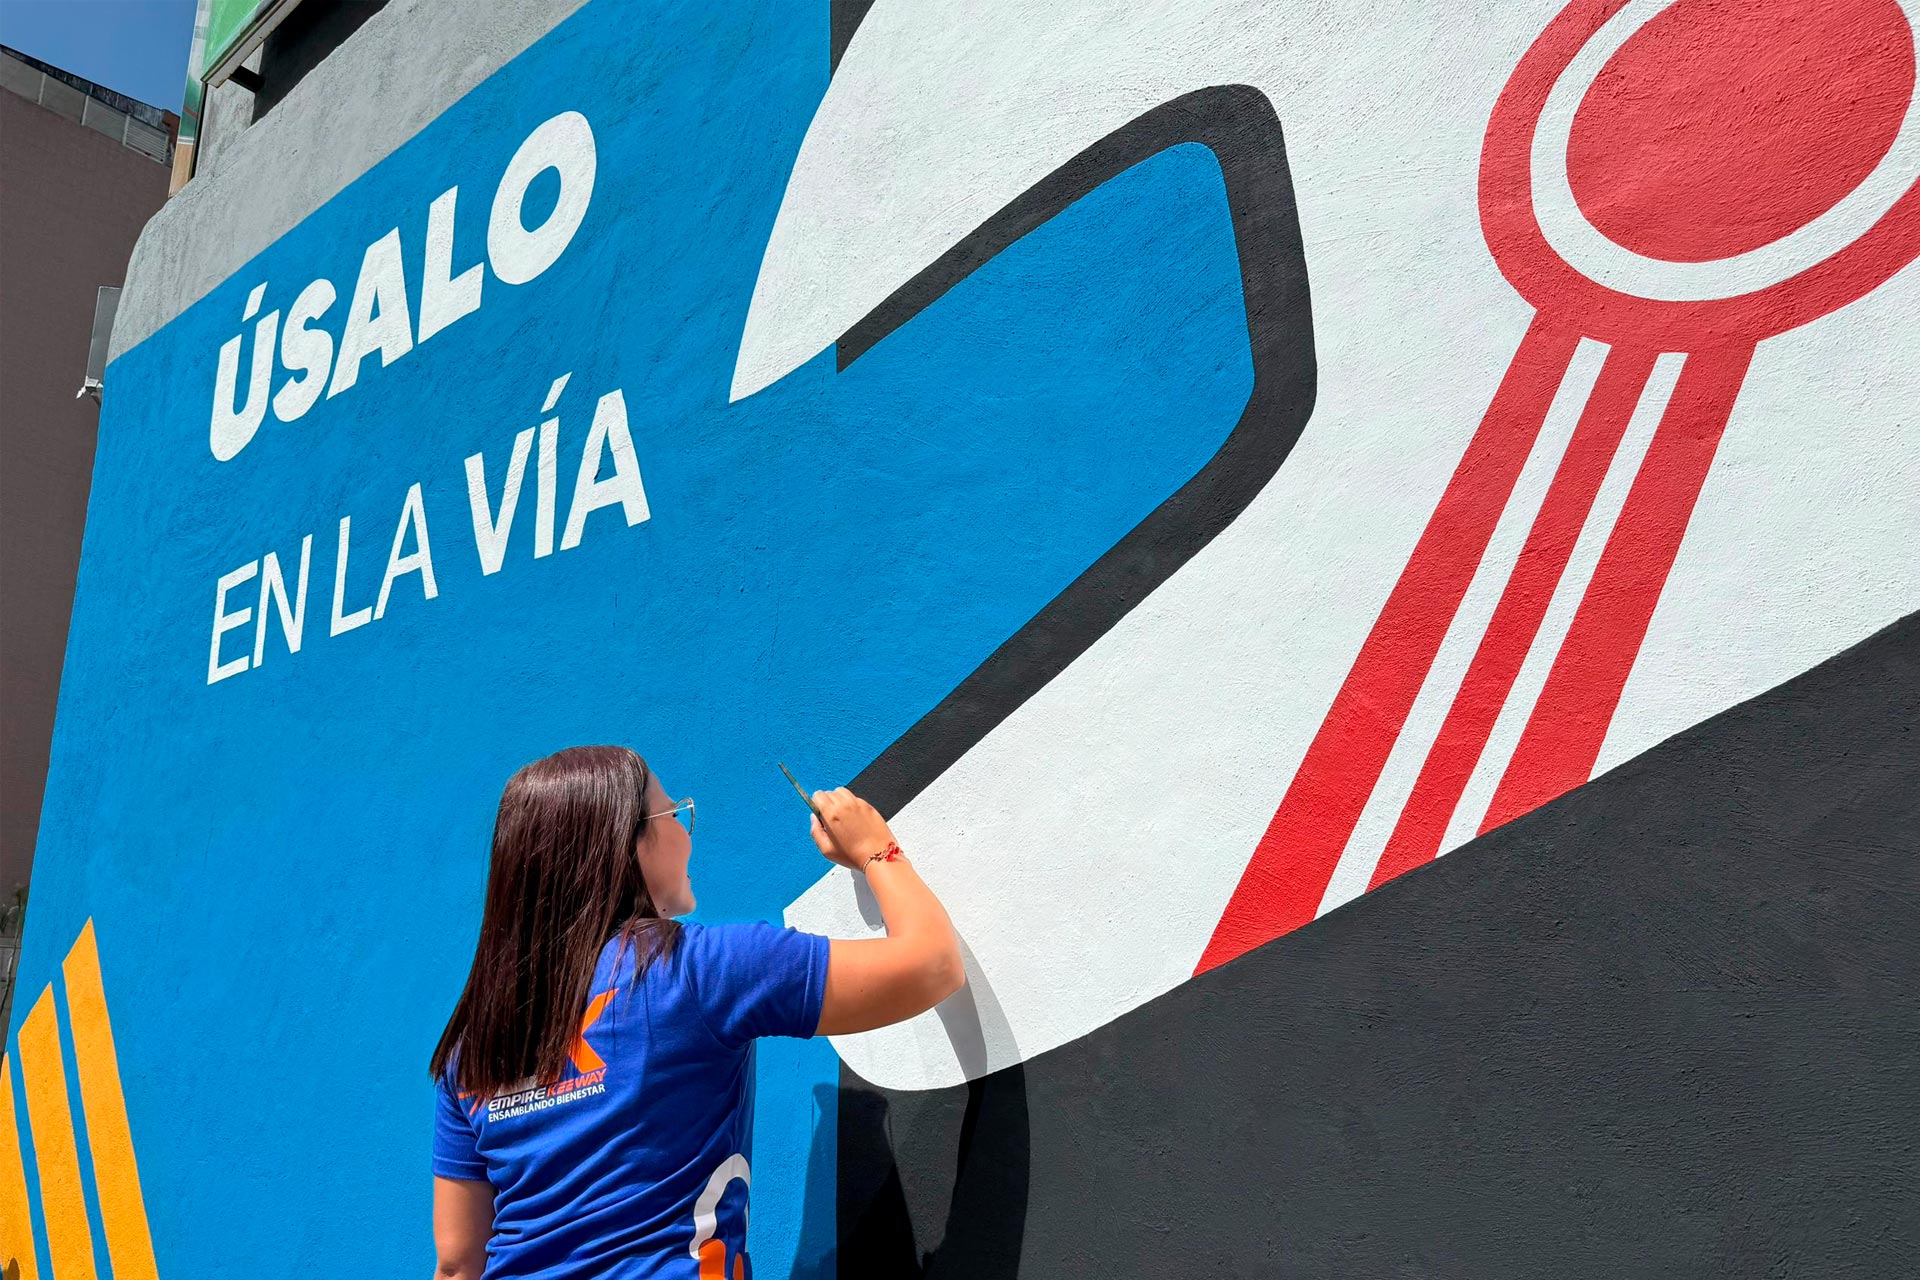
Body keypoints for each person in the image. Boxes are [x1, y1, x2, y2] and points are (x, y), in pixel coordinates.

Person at [429, 745, 963, 1278]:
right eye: (673, 815)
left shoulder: (473, 1041)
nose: (687, 833)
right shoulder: (699, 970)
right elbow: (933, 965)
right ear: (625, 843)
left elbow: (456, 1265)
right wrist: (875, 849)